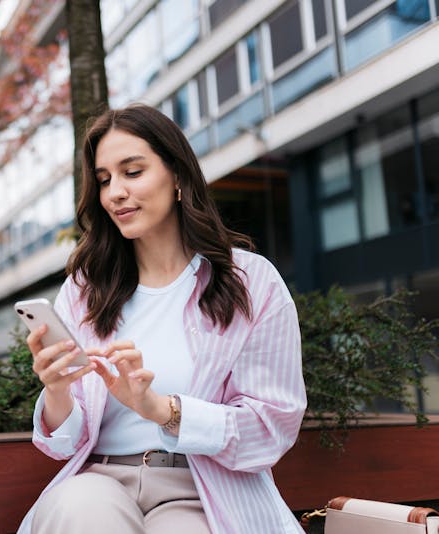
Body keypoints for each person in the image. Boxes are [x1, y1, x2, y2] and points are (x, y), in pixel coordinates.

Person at [18, 104, 306, 534]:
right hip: (100, 480)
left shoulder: (251, 282)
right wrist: (57, 391)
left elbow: (270, 428)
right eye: (104, 180)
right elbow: (65, 445)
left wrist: (161, 409)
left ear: (177, 177)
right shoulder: (84, 289)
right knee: (78, 510)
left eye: (132, 172)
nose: (115, 191)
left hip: (204, 486)